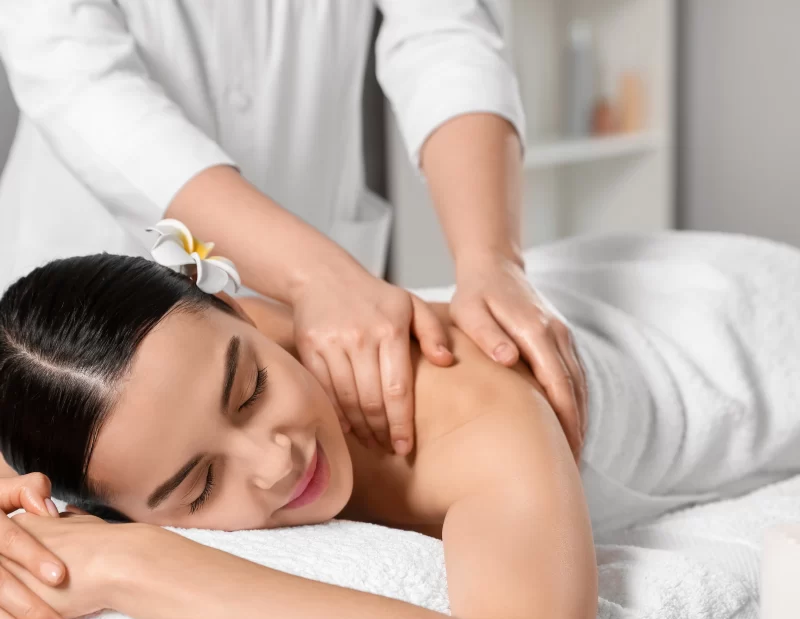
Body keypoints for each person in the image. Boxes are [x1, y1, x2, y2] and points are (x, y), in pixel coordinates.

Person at [2, 230, 800, 619]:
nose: (277, 459)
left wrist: (131, 562)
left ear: (238, 307)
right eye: (200, 486)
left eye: (250, 389)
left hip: (736, 321)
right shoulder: (150, 397)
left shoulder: (474, 409)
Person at [0, 0, 588, 469]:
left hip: (315, 280)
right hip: (83, 297)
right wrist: (312, 274)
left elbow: (446, 31)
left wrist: (492, 259)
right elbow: (80, 80)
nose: (275, 465)